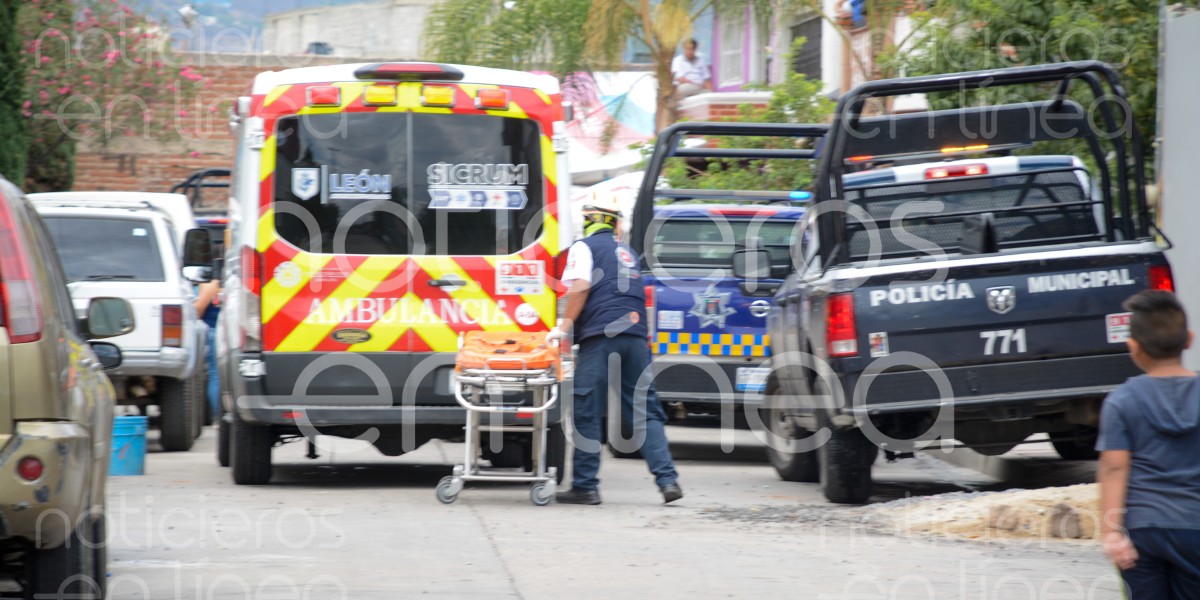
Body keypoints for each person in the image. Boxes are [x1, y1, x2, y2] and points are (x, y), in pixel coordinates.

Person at [550, 202, 682, 505]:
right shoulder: (627, 253)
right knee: (644, 409)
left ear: (589, 223)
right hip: (634, 336)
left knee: (586, 406)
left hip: (601, 335)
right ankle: (668, 481)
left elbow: (581, 286)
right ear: (614, 226)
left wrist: (564, 326)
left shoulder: (583, 247)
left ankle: (585, 487)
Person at [1096, 289, 1200, 598]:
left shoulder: (1121, 401)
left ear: (1133, 346)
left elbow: (1114, 469)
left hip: (1142, 531)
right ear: (1189, 340)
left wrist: (1111, 533)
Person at [194, 279, 221, 421]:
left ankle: (218, 418)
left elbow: (198, 309)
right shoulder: (236, 281)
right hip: (227, 332)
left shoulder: (212, 283)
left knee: (215, 375)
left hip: (213, 331)